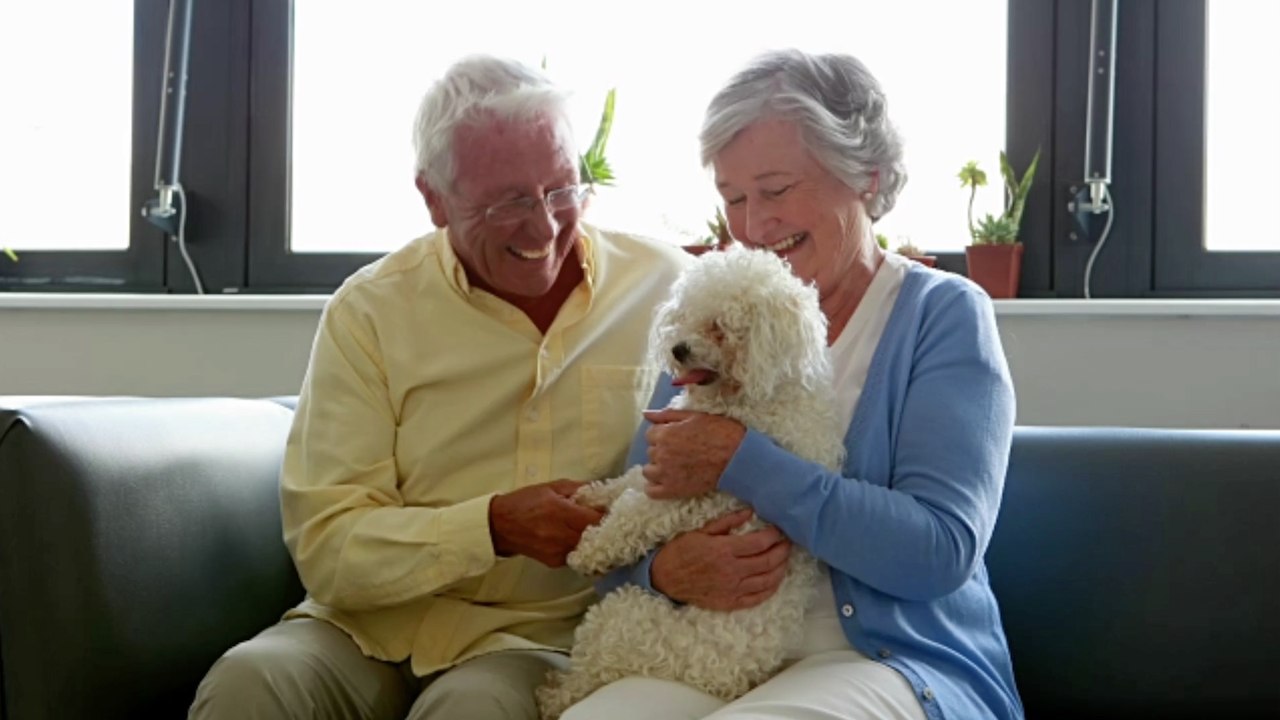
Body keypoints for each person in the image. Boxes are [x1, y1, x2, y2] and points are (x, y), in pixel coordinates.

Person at [188, 55, 689, 720]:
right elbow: (329, 548)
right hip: (365, 627)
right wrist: (492, 527)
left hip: (537, 640)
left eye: (561, 189)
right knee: (249, 683)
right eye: (509, 202)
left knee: (473, 710)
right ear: (434, 199)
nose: (544, 227)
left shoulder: (667, 290)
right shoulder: (369, 313)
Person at [562, 49, 1024, 720]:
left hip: (889, 661)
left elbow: (937, 552)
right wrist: (662, 571)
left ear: (865, 175)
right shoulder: (717, 318)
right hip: (709, 652)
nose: (753, 226)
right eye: (733, 199)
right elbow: (632, 523)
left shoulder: (941, 315)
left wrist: (743, 463)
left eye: (775, 190)